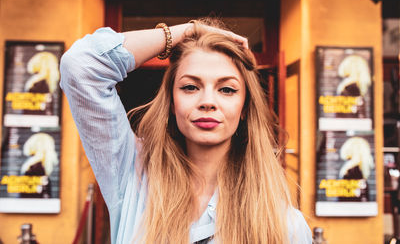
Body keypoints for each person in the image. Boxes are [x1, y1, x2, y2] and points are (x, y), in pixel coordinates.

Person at [60, 18, 312, 244]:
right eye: (191, 87)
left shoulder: (284, 226)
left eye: (227, 89)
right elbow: (81, 66)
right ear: (171, 101)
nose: (208, 101)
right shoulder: (132, 174)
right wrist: (188, 31)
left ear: (245, 107)